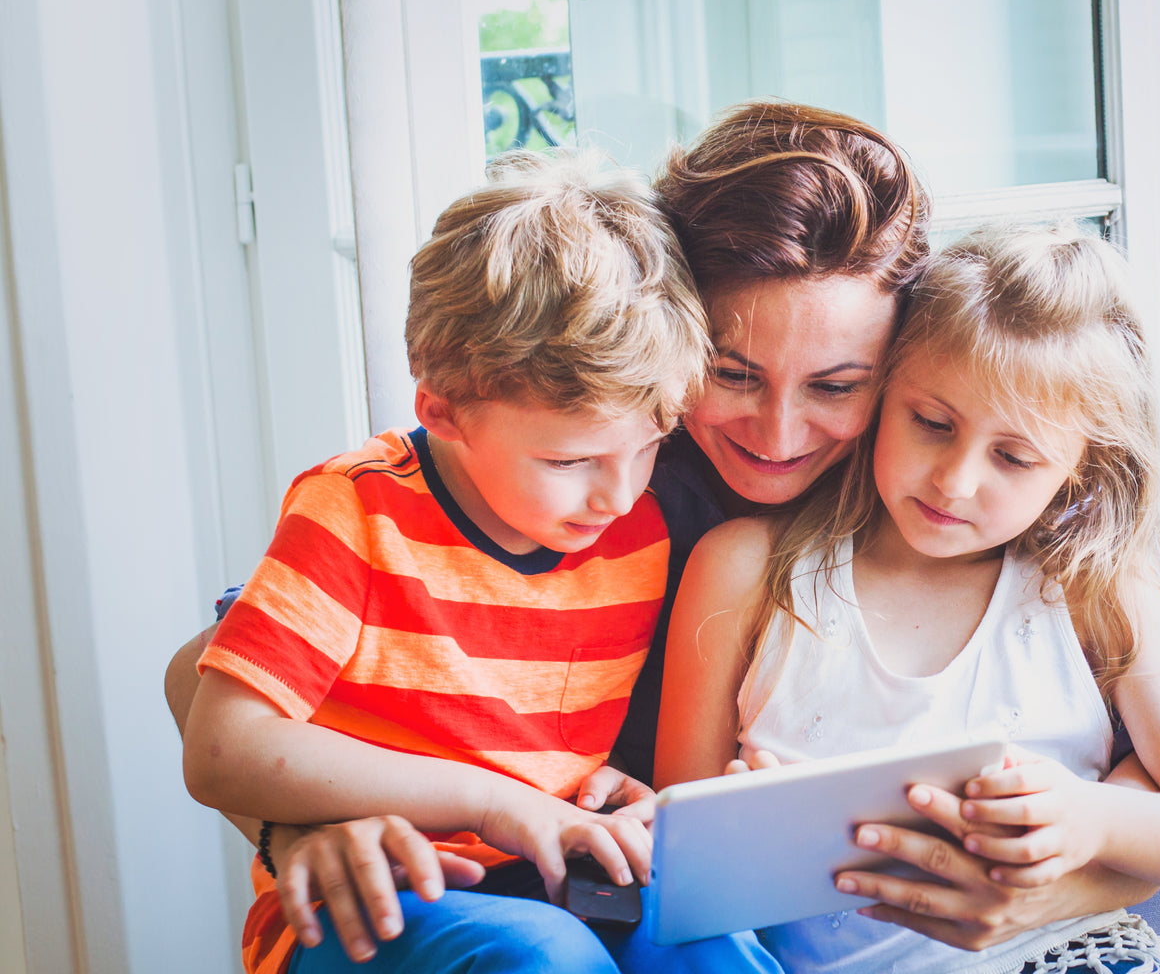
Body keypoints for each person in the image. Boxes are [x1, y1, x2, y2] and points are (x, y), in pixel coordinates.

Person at [166, 102, 1160, 964]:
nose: (777, 436)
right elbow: (205, 676)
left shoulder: (945, 499)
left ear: (904, 373)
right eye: (730, 375)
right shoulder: (602, 475)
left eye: (837, 386)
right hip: (496, 898)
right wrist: (296, 825)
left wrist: (1066, 885)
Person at [179, 147, 781, 974]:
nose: (617, 495)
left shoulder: (639, 523)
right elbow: (220, 746)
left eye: (650, 447)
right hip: (378, 899)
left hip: (564, 879)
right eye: (571, 463)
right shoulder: (355, 510)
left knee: (713, 949)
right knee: (544, 957)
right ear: (445, 409)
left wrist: (623, 798)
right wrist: (496, 805)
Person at [655, 223, 1160, 973]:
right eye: (932, 424)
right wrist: (752, 835)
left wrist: (1094, 819)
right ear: (884, 395)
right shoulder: (746, 570)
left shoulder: (1091, 591)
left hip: (1070, 955)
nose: (955, 481)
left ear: (1079, 470)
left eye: (1013, 457)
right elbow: (679, 870)